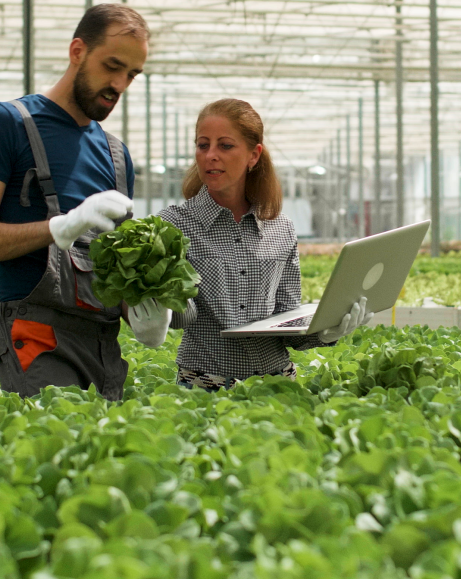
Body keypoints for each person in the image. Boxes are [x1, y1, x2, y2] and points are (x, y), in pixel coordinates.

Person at [0, 4, 164, 401]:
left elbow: (110, 269)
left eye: (131, 75)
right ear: (77, 51)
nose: (119, 83)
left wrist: (141, 310)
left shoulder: (116, 156)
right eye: (112, 66)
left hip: (103, 347)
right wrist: (58, 227)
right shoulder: (8, 124)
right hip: (38, 341)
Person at [158, 99, 373, 391]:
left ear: (253, 155)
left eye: (225, 146)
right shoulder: (173, 225)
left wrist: (327, 330)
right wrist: (158, 301)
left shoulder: (281, 228)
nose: (210, 155)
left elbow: (287, 319)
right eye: (202, 145)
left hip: (278, 386)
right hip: (205, 388)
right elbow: (179, 319)